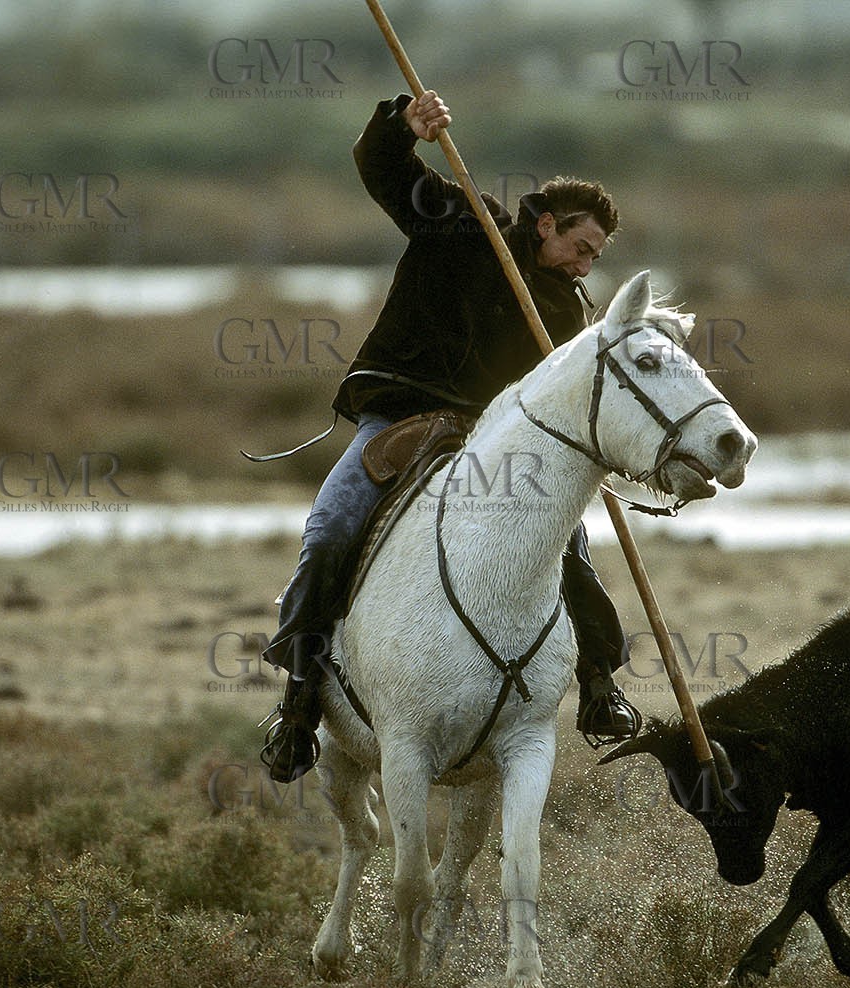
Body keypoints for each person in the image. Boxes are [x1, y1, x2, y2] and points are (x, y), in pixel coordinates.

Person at [259, 89, 640, 783]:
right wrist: (401, 127)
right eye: (579, 247)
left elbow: (575, 404)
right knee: (331, 529)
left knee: (575, 546)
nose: (585, 266)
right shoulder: (469, 223)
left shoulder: (567, 312)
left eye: (593, 257)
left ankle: (598, 686)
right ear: (547, 223)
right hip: (400, 417)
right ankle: (297, 708)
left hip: (495, 445)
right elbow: (385, 173)